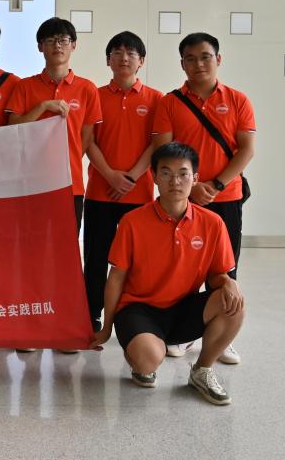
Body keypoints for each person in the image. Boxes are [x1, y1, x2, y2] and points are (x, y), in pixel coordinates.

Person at [88, 142, 244, 405]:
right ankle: (141, 356)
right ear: (154, 177)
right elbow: (116, 278)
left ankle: (202, 370)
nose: (175, 181)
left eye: (183, 174)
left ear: (195, 178)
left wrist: (229, 282)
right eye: (166, 173)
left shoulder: (212, 223)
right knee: (148, 358)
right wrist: (105, 328)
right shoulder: (132, 222)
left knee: (234, 304)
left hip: (183, 308)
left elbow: (216, 275)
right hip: (139, 309)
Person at [152, 32, 255, 365]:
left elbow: (246, 150)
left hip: (227, 197)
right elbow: (163, 152)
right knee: (183, 267)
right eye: (191, 59)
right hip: (183, 199)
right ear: (182, 64)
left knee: (226, 267)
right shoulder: (169, 103)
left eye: (205, 57)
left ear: (218, 59)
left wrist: (217, 185)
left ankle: (222, 337)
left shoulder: (238, 100)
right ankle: (184, 333)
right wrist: (192, 187)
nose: (199, 64)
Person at [6, 17, 102, 353]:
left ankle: (63, 325)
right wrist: (43, 106)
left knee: (65, 257)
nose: (57, 45)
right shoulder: (25, 87)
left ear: (73, 45)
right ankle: (31, 325)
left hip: (69, 186)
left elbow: (86, 138)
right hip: (30, 186)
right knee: (31, 255)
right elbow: (13, 127)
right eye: (50, 40)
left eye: (63, 40)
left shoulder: (87, 89)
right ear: (40, 47)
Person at [82, 32, 162, 332]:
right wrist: (110, 175)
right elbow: (88, 141)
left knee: (137, 261)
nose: (124, 58)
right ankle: (91, 314)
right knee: (96, 258)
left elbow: (156, 144)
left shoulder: (156, 99)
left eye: (131, 53)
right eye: (117, 52)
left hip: (139, 195)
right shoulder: (95, 95)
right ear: (108, 60)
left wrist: (130, 178)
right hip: (100, 192)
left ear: (142, 61)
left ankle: (135, 317)